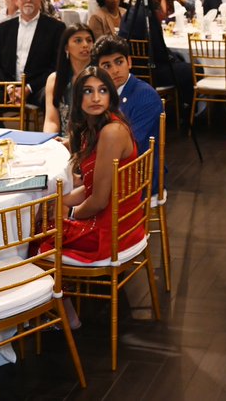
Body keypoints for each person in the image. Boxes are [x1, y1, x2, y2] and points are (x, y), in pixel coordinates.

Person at [40, 66, 140, 275]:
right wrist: (63, 201)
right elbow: (91, 187)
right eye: (88, 91)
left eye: (102, 90)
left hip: (111, 231)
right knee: (44, 211)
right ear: (78, 98)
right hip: (118, 218)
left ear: (110, 95)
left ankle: (58, 303)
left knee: (33, 237)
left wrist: (70, 212)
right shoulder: (94, 128)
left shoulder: (112, 132)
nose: (96, 98)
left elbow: (99, 200)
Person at [94, 35, 164, 192]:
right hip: (110, 169)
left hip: (136, 178)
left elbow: (130, 147)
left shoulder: (146, 96)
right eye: (107, 66)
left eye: (119, 62)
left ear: (129, 62)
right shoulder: (101, 93)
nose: (115, 70)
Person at [0, 0, 65, 108]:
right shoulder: (4, 28)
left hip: (38, 87)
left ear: (40, 0)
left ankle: (48, 128)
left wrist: (28, 88)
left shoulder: (55, 28)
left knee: (53, 98)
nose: (28, 0)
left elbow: (56, 66)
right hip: (8, 87)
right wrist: (10, 87)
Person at [43, 25, 94, 139]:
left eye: (89, 40)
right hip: (63, 142)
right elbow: (51, 121)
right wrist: (49, 141)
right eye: (78, 40)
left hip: (91, 142)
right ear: (66, 48)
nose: (85, 45)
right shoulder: (55, 79)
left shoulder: (99, 78)